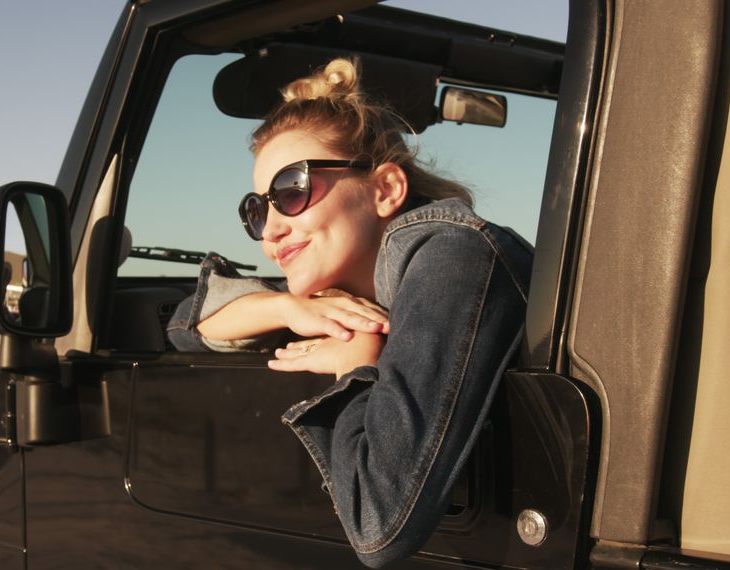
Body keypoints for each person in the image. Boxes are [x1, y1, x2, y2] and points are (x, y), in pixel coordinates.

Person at [167, 58, 532, 568]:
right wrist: (284, 307)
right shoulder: (342, 288)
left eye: (291, 192)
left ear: (385, 190)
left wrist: (355, 362)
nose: (269, 230)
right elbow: (187, 322)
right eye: (257, 208)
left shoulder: (453, 253)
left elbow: (379, 523)